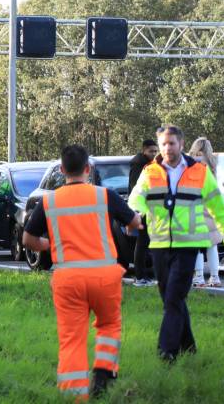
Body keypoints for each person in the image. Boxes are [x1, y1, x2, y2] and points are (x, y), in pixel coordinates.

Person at [23, 144, 143, 400]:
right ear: (88, 169)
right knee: (109, 325)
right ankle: (103, 372)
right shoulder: (105, 195)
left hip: (68, 279)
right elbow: (134, 222)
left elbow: (27, 239)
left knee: (72, 338)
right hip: (105, 276)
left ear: (63, 170)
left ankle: (74, 395)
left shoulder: (49, 200)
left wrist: (48, 245)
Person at [129, 125, 224, 362]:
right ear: (159, 146)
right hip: (158, 245)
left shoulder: (199, 172)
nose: (168, 148)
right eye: (163, 144)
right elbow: (136, 197)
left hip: (188, 246)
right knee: (172, 298)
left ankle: (166, 351)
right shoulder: (149, 172)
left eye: (172, 143)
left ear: (181, 144)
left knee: (173, 298)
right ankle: (189, 348)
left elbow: (218, 207)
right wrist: (134, 215)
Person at [188, 137, 223, 288]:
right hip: (211, 203)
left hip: (195, 203)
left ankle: (199, 278)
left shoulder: (190, 161)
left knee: (197, 244)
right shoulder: (213, 162)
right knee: (212, 243)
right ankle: (215, 277)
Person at [128, 139, 159, 287]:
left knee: (144, 244)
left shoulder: (148, 163)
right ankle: (140, 276)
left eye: (155, 151)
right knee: (141, 244)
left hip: (146, 208)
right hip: (141, 209)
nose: (153, 154)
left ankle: (143, 276)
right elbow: (136, 188)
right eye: (151, 151)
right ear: (144, 150)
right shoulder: (139, 164)